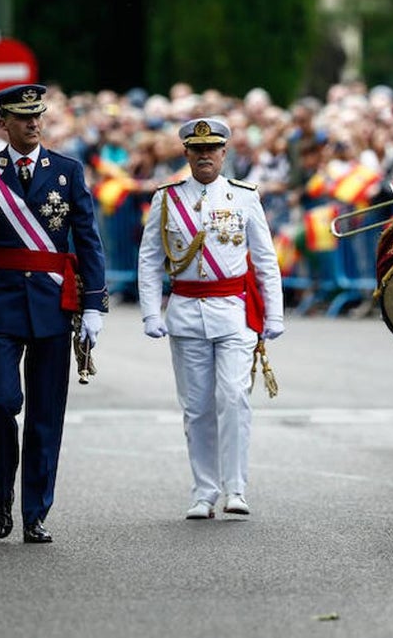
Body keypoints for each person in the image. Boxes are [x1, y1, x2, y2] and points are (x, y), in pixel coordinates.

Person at [0, 83, 107, 542]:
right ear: (4, 123)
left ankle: (34, 512)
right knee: (3, 402)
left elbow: (88, 239)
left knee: (45, 415)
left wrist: (94, 305)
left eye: (37, 115)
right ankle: (2, 491)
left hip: (52, 304)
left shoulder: (67, 171)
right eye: (23, 117)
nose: (33, 123)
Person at [137, 117, 284, 519]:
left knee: (234, 397)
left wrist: (274, 313)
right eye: (197, 150)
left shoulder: (244, 196)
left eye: (212, 149)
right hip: (185, 311)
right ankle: (204, 491)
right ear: (186, 153)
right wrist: (151, 311)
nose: (205, 156)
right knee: (197, 407)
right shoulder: (167, 198)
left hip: (233, 311)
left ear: (223, 153)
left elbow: (265, 259)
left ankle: (235, 487)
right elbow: (149, 258)